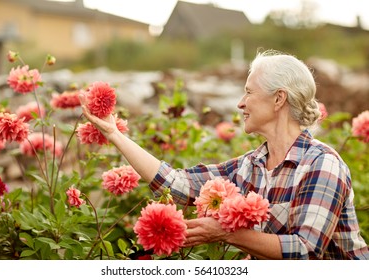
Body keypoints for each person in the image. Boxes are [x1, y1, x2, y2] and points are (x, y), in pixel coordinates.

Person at [79, 49, 369, 260]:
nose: (240, 103)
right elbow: (177, 183)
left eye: (248, 92)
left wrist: (226, 233)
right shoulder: (250, 166)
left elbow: (304, 250)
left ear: (279, 98)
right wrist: (114, 133)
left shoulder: (322, 164)